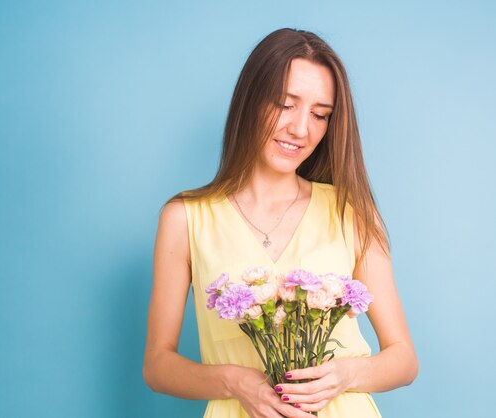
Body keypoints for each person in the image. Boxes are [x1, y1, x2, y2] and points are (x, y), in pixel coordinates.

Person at [143, 28, 418, 418]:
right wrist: (234, 382)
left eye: (320, 114)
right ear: (251, 101)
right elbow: (157, 365)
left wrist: (345, 374)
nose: (301, 129)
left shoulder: (351, 211)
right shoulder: (186, 217)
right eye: (286, 105)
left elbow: (404, 359)